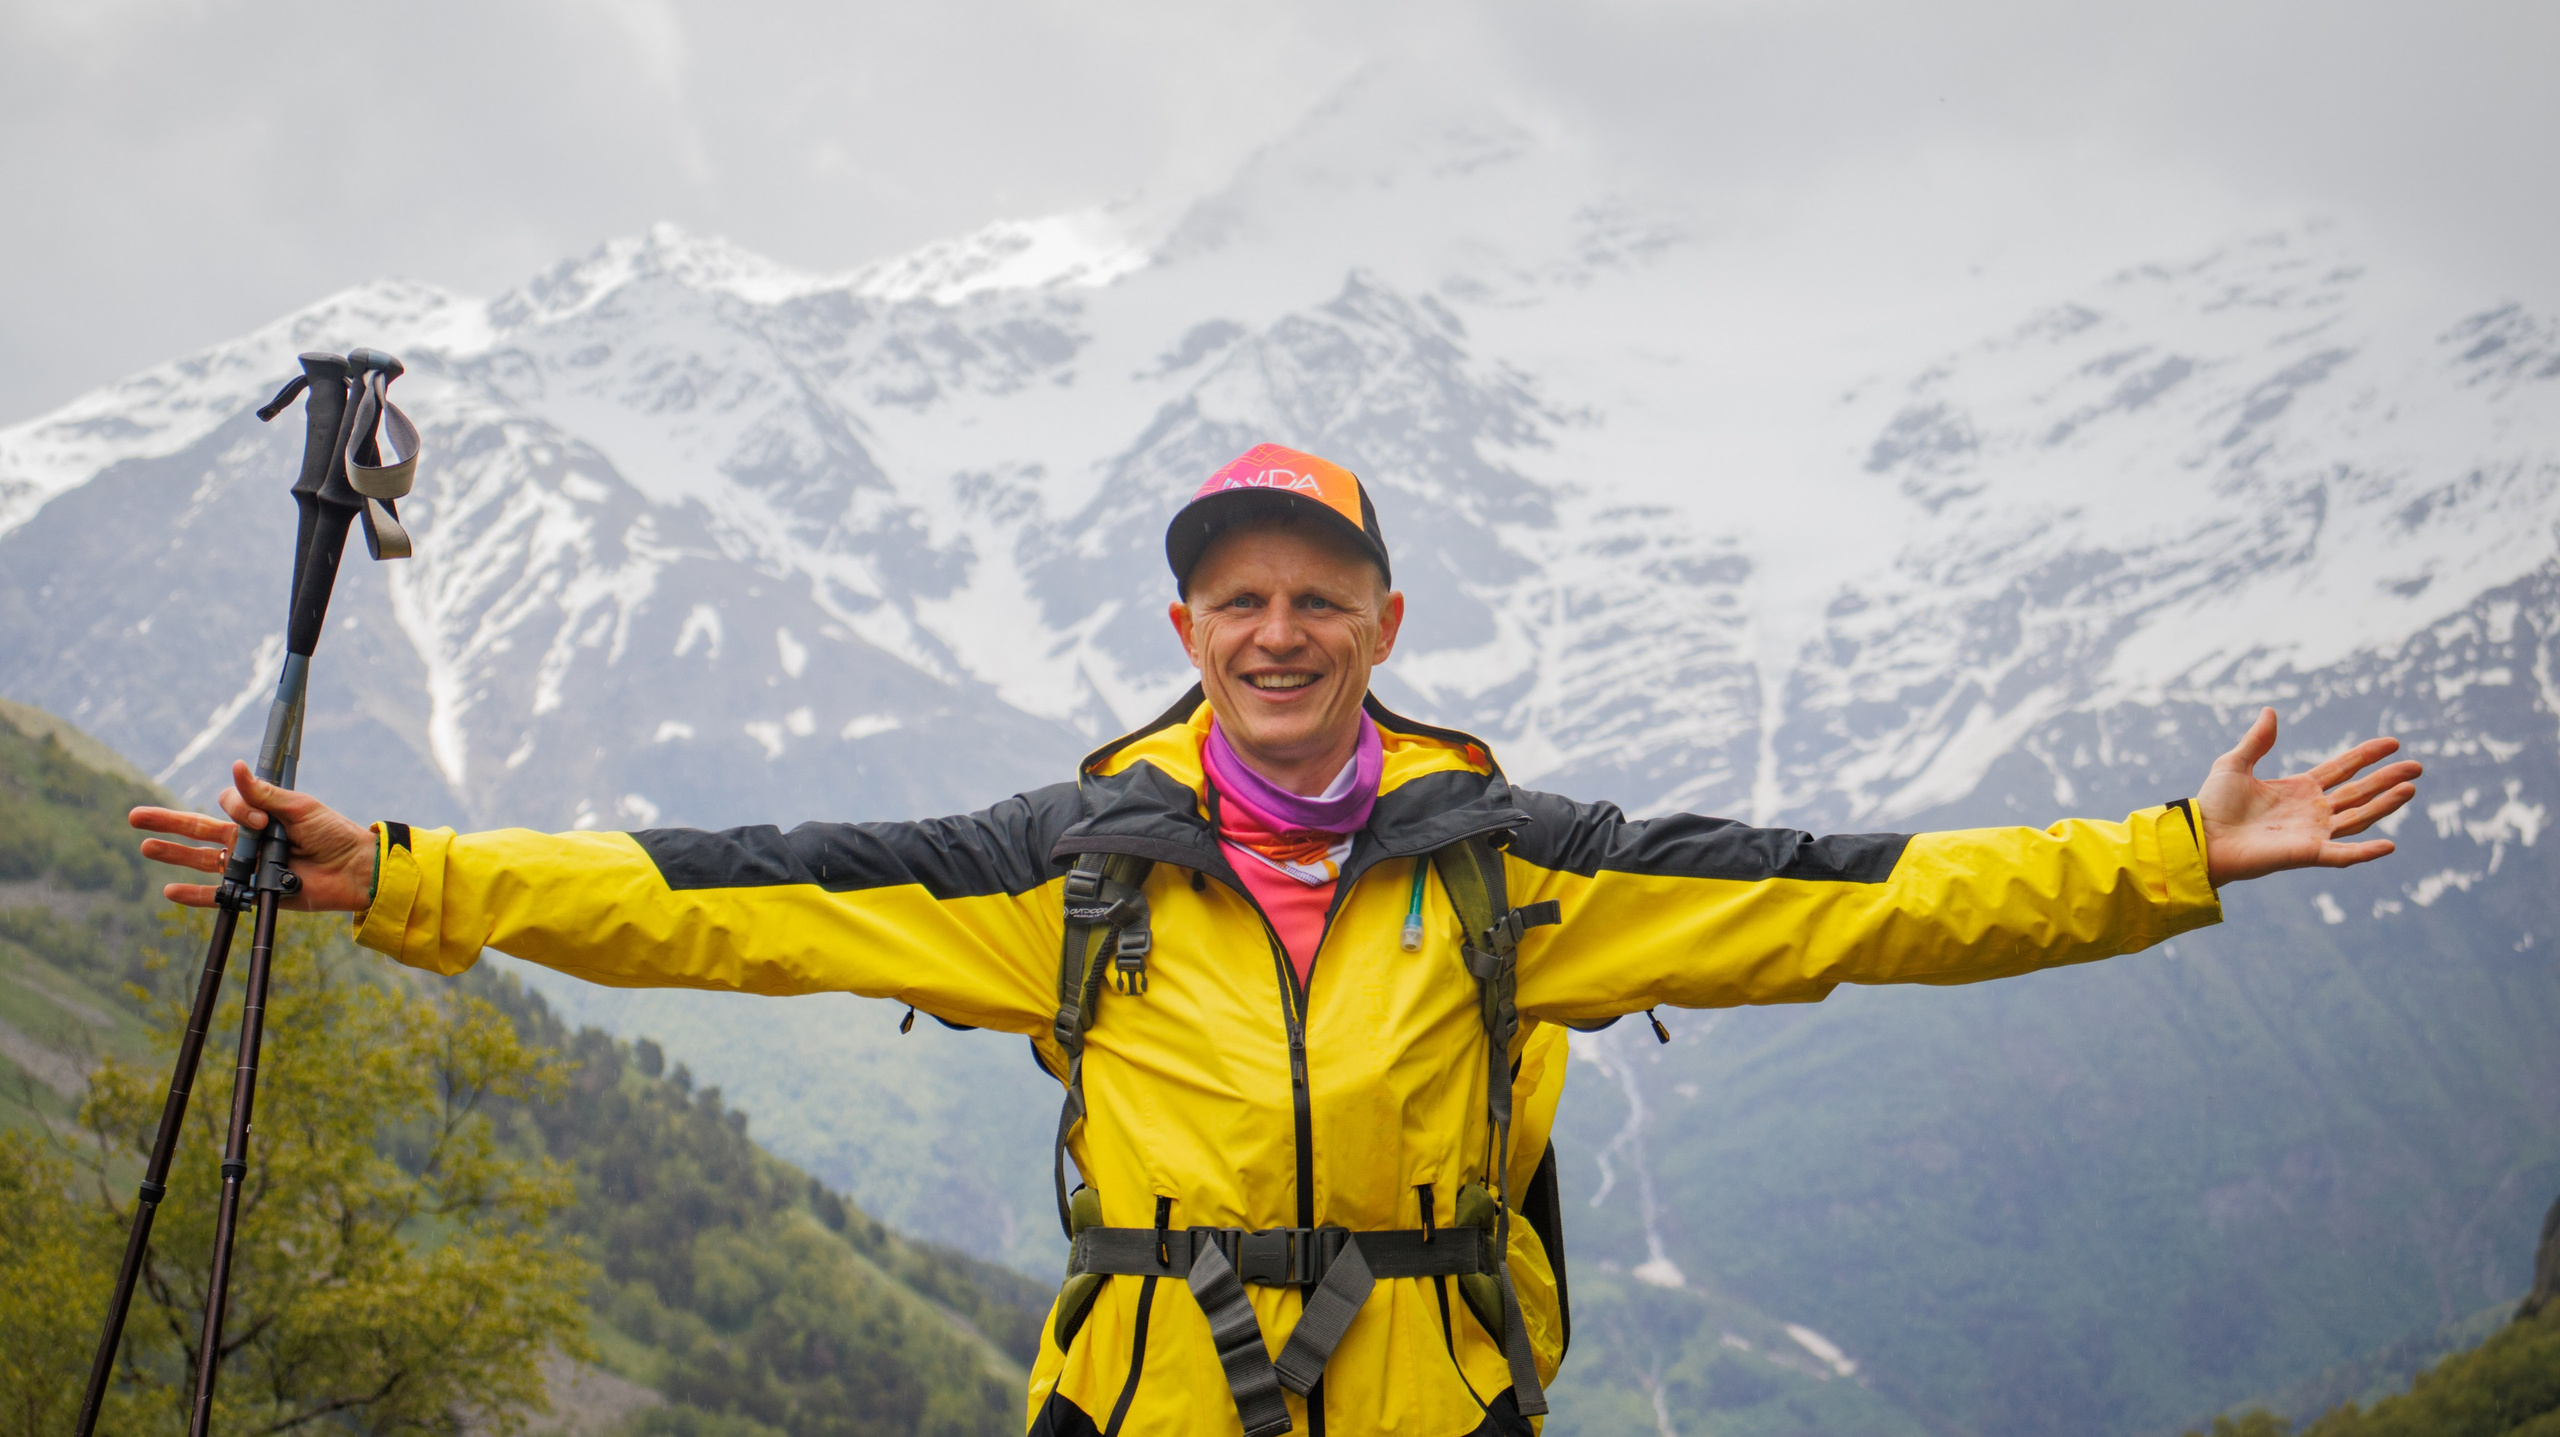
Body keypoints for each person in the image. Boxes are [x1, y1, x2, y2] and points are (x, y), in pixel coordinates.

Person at [132, 443, 2423, 1437]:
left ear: (1383, 621)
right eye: (1236, 594)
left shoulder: (1519, 858)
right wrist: (403, 878)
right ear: (1184, 626)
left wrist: (2172, 855)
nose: (1276, 627)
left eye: (1317, 591)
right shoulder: (1074, 860)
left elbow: (1867, 898)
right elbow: (721, 897)